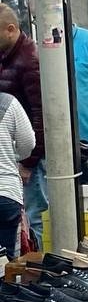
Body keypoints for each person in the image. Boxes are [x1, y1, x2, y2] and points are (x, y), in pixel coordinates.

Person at [0, 4, 46, 250]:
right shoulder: (8, 56)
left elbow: (40, 115)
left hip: (28, 157)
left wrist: (28, 163)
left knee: (33, 217)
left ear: (10, 29)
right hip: (14, 155)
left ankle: (34, 276)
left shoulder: (29, 61)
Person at [0, 91, 33, 255]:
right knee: (5, 261)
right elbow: (28, 143)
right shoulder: (7, 102)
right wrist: (13, 156)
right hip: (5, 192)